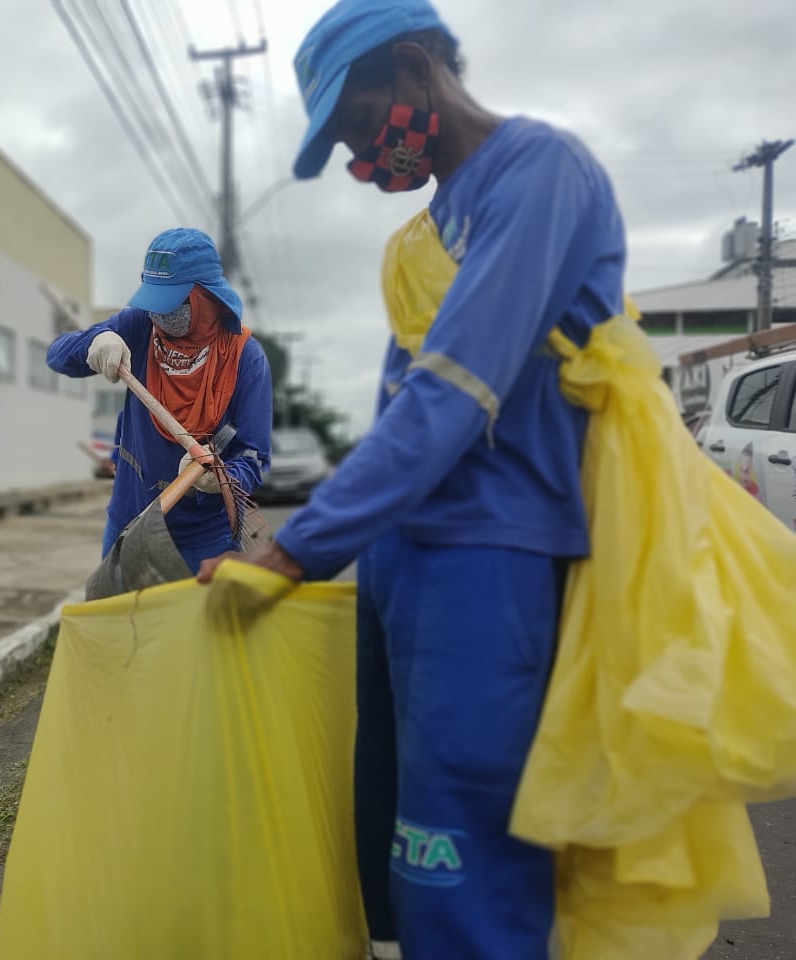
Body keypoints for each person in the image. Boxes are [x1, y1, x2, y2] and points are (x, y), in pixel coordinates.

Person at [198, 1, 628, 956]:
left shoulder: (540, 173)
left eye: (358, 125)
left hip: (491, 555)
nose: (363, 159)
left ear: (413, 67)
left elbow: (457, 389)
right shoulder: (426, 230)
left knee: (463, 850)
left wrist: (298, 548)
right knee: (394, 836)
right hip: (403, 563)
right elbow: (401, 416)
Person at [48, 228, 272, 573]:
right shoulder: (139, 327)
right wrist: (96, 340)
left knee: (196, 626)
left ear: (204, 296)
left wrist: (221, 478)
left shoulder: (246, 359)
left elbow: (254, 456)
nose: (159, 315)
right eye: (153, 302)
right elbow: (57, 355)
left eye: (172, 304)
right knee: (120, 623)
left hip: (204, 540)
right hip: (129, 525)